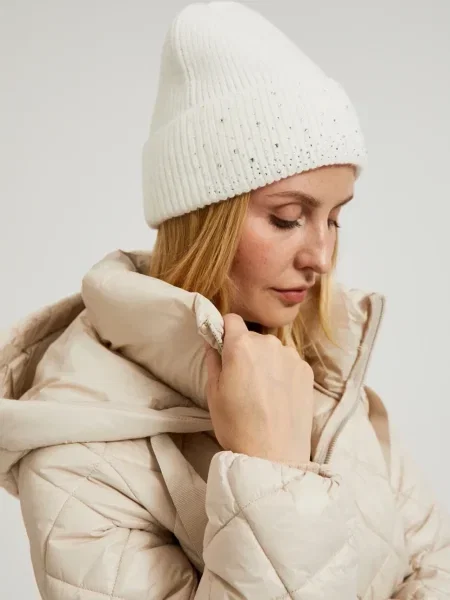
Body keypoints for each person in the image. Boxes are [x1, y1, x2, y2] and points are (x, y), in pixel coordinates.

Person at [1, 1, 449, 598]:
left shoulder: (324, 372)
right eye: (288, 218)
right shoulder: (78, 456)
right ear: (203, 221)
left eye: (335, 218)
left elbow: (433, 568)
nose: (321, 257)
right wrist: (271, 472)